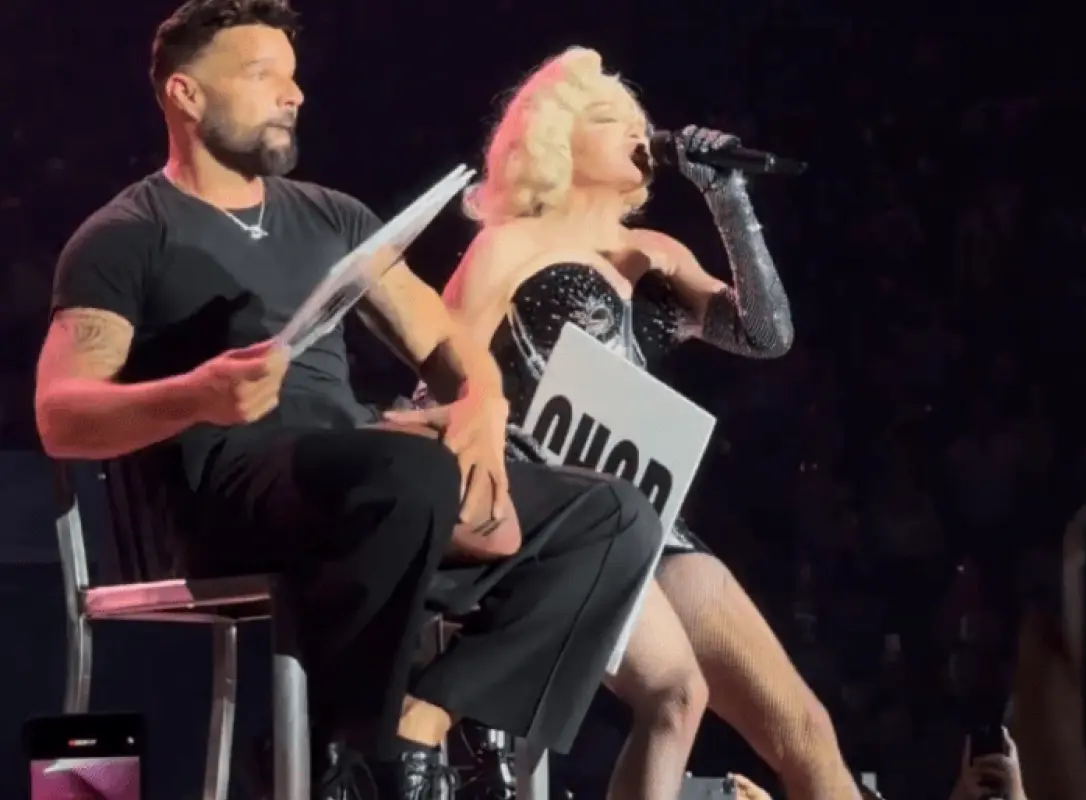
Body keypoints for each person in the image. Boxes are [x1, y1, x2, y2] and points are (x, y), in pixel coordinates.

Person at [32, 5, 661, 800]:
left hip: (372, 484)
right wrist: (195, 394)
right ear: (186, 95)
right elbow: (60, 413)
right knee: (406, 472)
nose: (293, 94)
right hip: (228, 495)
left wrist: (483, 403)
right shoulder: (125, 234)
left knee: (614, 516)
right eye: (263, 75)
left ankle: (408, 731)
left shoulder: (332, 217)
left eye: (294, 77)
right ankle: (350, 749)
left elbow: (446, 340)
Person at [414, 46, 860, 799]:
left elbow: (766, 335)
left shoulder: (658, 254)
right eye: (606, 117)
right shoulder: (507, 246)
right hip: (557, 508)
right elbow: (438, 370)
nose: (636, 130)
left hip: (652, 511)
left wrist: (728, 198)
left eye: (638, 118)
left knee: (806, 728)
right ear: (553, 140)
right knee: (676, 698)